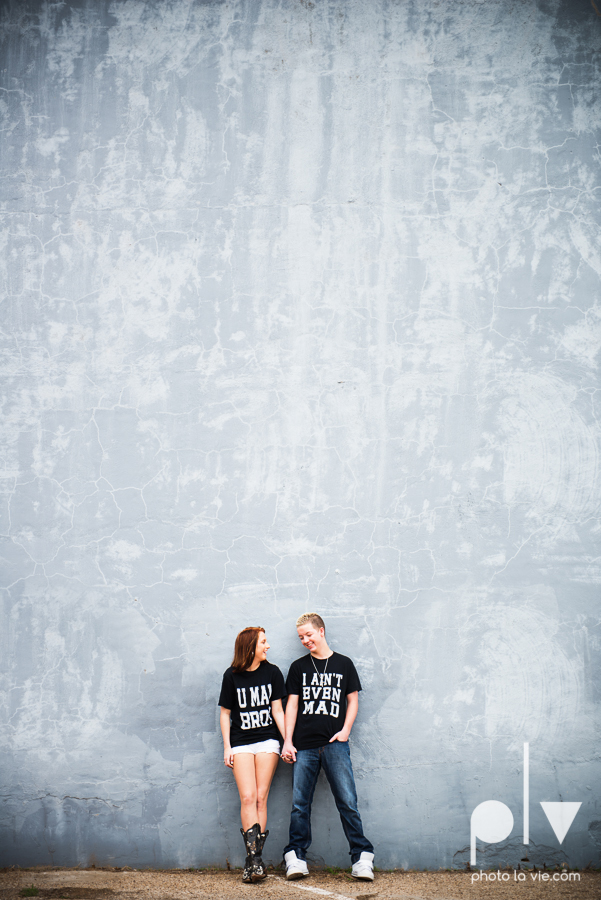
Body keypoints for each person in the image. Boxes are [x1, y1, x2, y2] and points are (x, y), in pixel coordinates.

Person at [281, 613, 375, 882]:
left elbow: (352, 700)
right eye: (300, 637)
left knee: (347, 802)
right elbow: (292, 706)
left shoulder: (344, 663)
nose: (305, 640)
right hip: (304, 747)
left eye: (308, 634)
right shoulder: (298, 667)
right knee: (300, 804)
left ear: (321, 631)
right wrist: (288, 741)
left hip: (335, 745)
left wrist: (345, 731)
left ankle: (361, 858)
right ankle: (296, 857)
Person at [219, 626, 286, 883]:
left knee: (260, 797)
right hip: (241, 743)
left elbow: (277, 710)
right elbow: (225, 713)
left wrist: (288, 741)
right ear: (250, 647)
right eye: (263, 643)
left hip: (268, 741)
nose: (267, 647)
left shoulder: (272, 672)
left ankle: (254, 861)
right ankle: (254, 860)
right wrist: (227, 746)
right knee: (247, 797)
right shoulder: (231, 676)